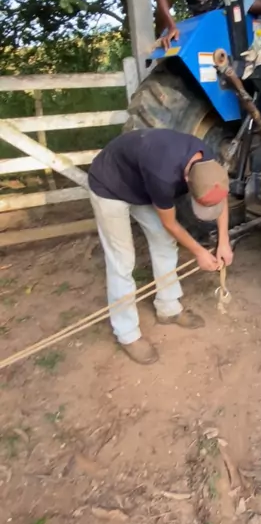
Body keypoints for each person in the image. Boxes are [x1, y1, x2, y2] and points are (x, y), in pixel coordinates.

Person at [88, 129, 233, 365]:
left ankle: (168, 308)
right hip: (110, 186)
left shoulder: (208, 163)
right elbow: (170, 223)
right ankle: (127, 334)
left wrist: (224, 242)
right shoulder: (163, 175)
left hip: (142, 183)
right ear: (187, 181)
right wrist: (199, 252)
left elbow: (220, 196)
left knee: (165, 242)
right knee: (122, 261)